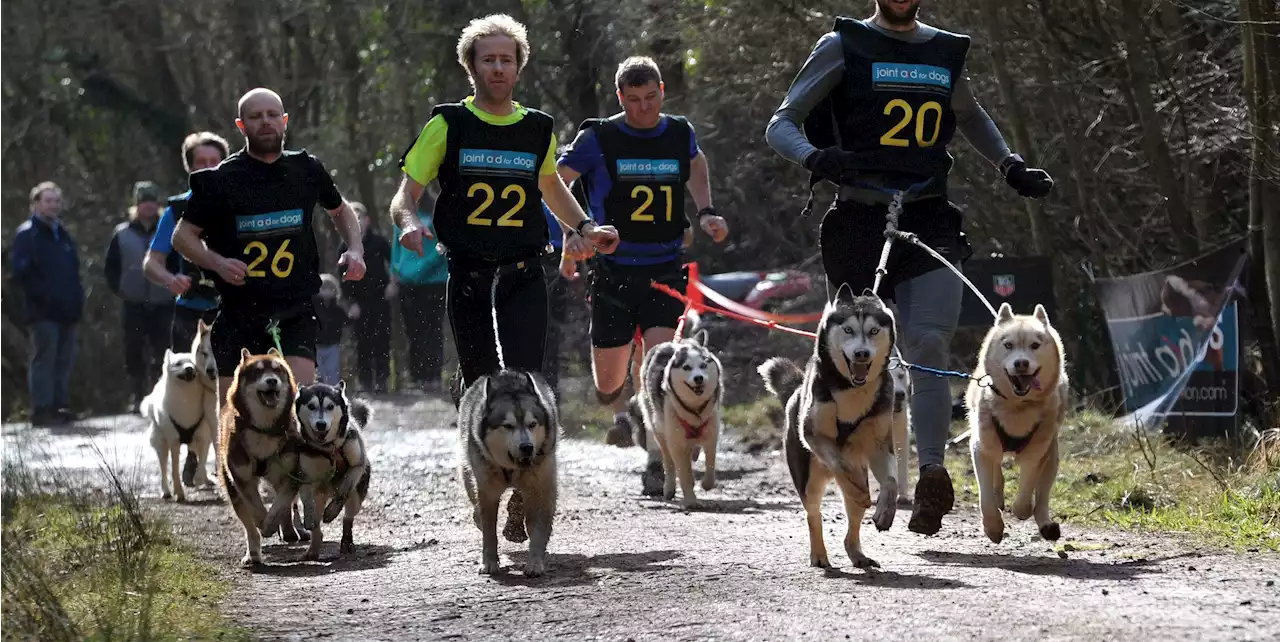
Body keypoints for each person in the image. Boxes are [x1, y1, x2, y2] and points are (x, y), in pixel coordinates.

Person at [764, 0, 1054, 536]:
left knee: (927, 345)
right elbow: (780, 124)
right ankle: (850, 460)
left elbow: (969, 115)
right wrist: (814, 157)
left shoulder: (943, 52)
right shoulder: (842, 46)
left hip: (928, 215)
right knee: (857, 360)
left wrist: (1009, 164)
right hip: (857, 218)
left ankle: (931, 476)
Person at [389, 13, 618, 400]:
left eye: (506, 60)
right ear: (471, 66)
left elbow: (550, 184)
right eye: (488, 60)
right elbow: (405, 195)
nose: (497, 68)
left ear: (518, 66)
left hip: (524, 269)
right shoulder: (448, 124)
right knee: (482, 385)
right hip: (468, 271)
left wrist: (585, 227)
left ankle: (523, 457)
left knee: (525, 380)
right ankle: (475, 429)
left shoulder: (536, 128)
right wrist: (409, 222)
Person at [556, 55, 729, 447]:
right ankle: (625, 402)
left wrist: (706, 211)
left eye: (651, 97)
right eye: (633, 99)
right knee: (608, 382)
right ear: (619, 97)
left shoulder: (679, 132)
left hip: (664, 266)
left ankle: (657, 454)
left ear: (662, 91)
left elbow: (697, 162)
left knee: (659, 360)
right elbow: (556, 183)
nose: (644, 107)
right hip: (613, 269)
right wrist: (572, 235)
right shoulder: (598, 138)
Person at [172, 87, 367, 401]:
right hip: (239, 311)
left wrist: (355, 249)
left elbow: (341, 210)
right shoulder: (221, 180)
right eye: (256, 116)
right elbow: (182, 237)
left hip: (295, 307)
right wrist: (218, 263)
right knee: (235, 420)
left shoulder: (307, 169)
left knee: (298, 404)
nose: (265, 122)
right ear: (241, 125)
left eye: (272, 115)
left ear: (285, 121)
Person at [143, 131, 231, 350]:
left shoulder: (243, 204)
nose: (208, 167)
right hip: (191, 312)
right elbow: (151, 262)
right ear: (190, 168)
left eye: (214, 162)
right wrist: (170, 279)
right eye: (201, 162)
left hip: (234, 309)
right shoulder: (176, 210)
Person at [10, 181, 84, 426]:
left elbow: (73, 270)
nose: (53, 205)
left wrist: (76, 300)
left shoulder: (62, 233)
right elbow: (21, 273)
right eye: (48, 200)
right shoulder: (26, 234)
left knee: (64, 360)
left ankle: (59, 406)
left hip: (67, 310)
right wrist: (44, 296)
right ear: (35, 204)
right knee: (44, 359)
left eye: (56, 201)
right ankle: (41, 410)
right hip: (42, 311)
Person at [104, 181, 178, 413]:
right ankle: (136, 396)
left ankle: (161, 394)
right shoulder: (121, 233)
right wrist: (122, 290)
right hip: (133, 303)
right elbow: (111, 268)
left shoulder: (169, 230)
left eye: (152, 202)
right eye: (143, 202)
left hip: (164, 302)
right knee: (134, 350)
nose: (148, 207)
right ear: (136, 206)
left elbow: (178, 263)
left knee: (163, 349)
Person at [390, 183, 451, 393]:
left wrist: (420, 270)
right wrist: (395, 273)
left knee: (431, 329)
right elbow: (396, 249)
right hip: (407, 283)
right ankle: (417, 376)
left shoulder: (435, 213)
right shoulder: (402, 215)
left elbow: (441, 248)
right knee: (412, 330)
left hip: (433, 282)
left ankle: (433, 376)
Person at [340, 202, 393, 394]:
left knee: (382, 341)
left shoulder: (379, 242)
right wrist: (350, 303)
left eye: (360, 218)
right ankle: (365, 382)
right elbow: (342, 279)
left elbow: (395, 262)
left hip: (381, 300)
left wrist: (393, 284)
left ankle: (382, 380)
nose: (358, 222)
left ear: (367, 220)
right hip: (358, 304)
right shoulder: (344, 247)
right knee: (362, 343)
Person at [313, 273, 348, 385]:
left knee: (333, 372)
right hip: (316, 346)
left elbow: (346, 321)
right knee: (318, 373)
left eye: (330, 288)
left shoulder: (337, 309)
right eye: (323, 288)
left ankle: (333, 392)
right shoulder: (313, 307)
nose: (327, 291)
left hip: (333, 345)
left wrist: (352, 315)